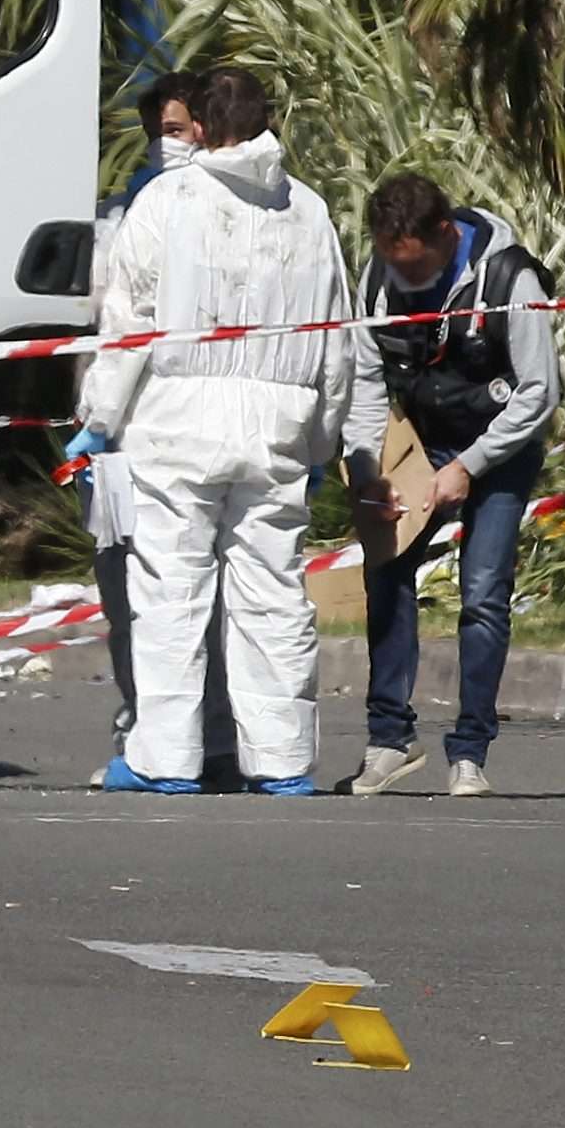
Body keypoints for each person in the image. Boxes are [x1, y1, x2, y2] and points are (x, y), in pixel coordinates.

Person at [73, 67, 352, 795]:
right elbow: (337, 340)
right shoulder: (310, 211)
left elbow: (128, 325)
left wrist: (99, 421)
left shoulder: (166, 200)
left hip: (178, 420)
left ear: (197, 126)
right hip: (278, 424)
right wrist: (322, 438)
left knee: (171, 593)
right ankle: (284, 759)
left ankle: (165, 757)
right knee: (273, 593)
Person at [342, 174, 558, 799]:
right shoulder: (377, 279)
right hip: (419, 443)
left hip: (500, 446)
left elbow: (539, 391)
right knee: (385, 571)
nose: (405, 280)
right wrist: (365, 469)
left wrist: (470, 464)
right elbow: (361, 380)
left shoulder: (510, 278)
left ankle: (470, 751)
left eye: (416, 267)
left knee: (483, 594)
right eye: (392, 263)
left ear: (445, 234)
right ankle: (389, 739)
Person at [74, 71, 238, 786]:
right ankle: (145, 715)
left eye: (179, 129)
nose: (169, 144)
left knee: (204, 595)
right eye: (160, 132)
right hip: (119, 439)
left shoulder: (249, 211)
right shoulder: (123, 214)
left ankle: (215, 734)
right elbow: (104, 319)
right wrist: (96, 422)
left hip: (188, 426)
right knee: (125, 590)